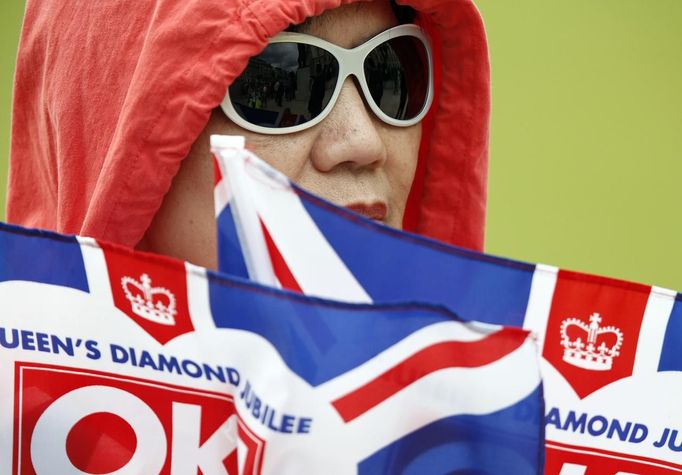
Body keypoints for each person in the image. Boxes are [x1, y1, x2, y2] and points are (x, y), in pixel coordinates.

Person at [6, 0, 491, 271]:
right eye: (281, 84)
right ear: (119, 135)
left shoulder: (499, 437)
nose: (362, 143)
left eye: (392, 73)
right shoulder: (20, 443)